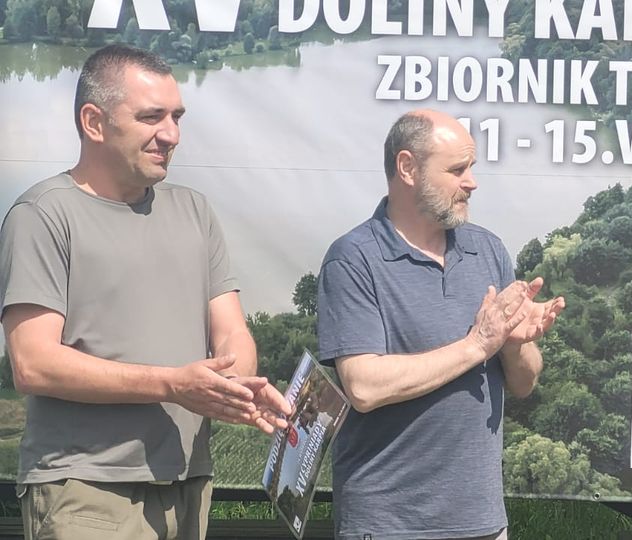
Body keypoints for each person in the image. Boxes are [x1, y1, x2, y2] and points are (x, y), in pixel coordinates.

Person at [0, 44, 290, 539]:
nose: (171, 134)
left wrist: (234, 385)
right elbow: (33, 363)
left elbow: (231, 332)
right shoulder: (42, 215)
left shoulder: (194, 211)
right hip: (88, 488)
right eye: (151, 117)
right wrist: (173, 385)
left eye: (177, 116)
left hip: (188, 482)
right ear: (94, 122)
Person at [317, 109, 565, 539]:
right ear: (407, 168)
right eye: (457, 170)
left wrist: (513, 344)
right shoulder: (353, 259)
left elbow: (524, 384)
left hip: (482, 522)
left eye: (471, 167)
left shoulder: (488, 251)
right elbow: (364, 386)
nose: (472, 182)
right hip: (389, 524)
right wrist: (477, 345)